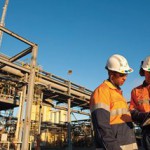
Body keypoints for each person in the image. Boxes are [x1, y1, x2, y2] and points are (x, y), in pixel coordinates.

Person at [90, 54, 138, 150]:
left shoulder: (118, 94)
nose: (125, 77)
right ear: (111, 74)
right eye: (122, 74)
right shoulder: (102, 92)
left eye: (126, 74)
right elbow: (101, 127)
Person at [129, 56, 150, 150]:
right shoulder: (136, 91)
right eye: (148, 72)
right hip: (147, 132)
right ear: (144, 71)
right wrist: (145, 116)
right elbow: (132, 112)